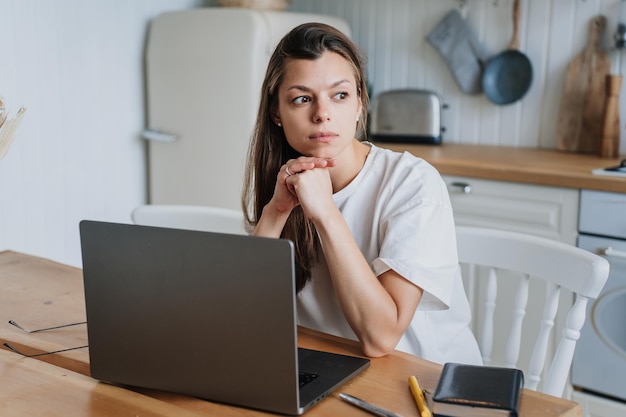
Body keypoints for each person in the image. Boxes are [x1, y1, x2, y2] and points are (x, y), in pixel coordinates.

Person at [242, 22, 482, 365]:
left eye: (340, 95)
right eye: (302, 98)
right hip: (329, 366)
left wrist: (326, 213)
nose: (322, 113)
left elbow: (381, 337)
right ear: (276, 113)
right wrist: (275, 214)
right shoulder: (284, 184)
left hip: (425, 381)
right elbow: (245, 316)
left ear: (358, 104)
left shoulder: (412, 183)